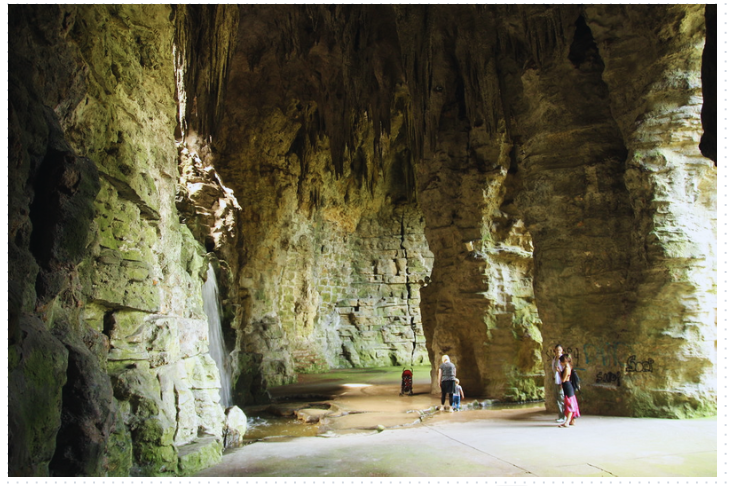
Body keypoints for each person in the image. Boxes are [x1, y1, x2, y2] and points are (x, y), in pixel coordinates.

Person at [558, 353, 580, 428]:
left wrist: (559, 373)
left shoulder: (567, 368)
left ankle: (567, 422)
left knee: (569, 404)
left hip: (567, 387)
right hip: (567, 387)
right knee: (570, 403)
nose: (560, 363)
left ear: (564, 361)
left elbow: (563, 380)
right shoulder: (567, 367)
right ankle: (572, 420)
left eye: (561, 361)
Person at [552, 344, 565, 422]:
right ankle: (560, 415)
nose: (558, 352)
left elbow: (565, 370)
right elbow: (553, 369)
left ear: (562, 350)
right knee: (557, 399)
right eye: (556, 350)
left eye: (559, 350)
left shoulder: (563, 359)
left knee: (561, 398)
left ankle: (564, 416)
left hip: (561, 381)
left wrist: (562, 382)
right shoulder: (554, 359)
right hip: (556, 380)